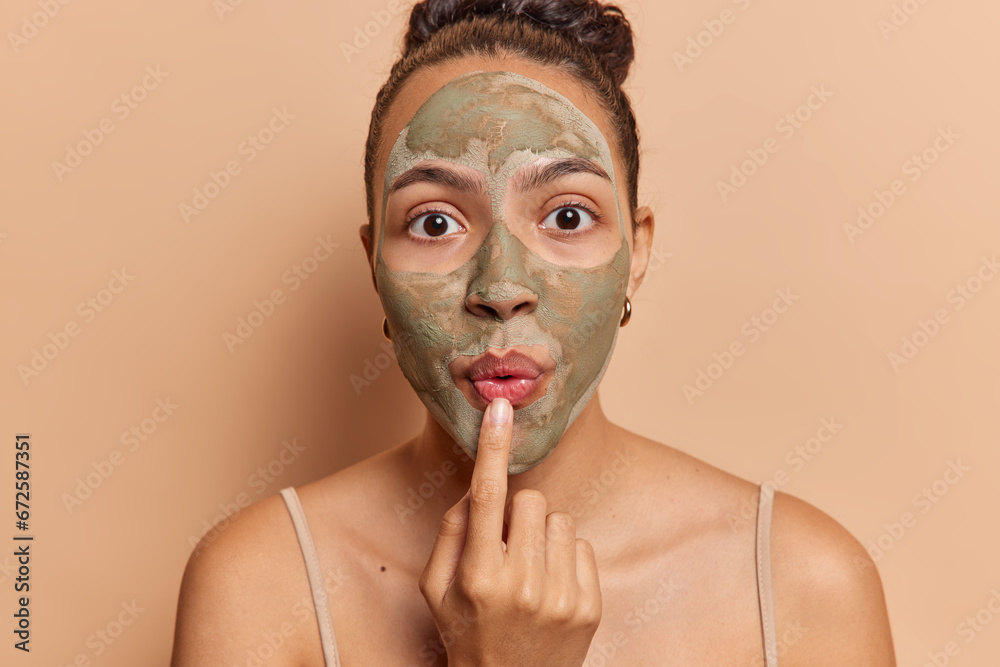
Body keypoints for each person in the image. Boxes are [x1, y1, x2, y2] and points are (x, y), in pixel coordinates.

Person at [170, 1, 897, 664]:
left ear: (636, 254)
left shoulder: (807, 585)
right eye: (434, 222)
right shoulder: (260, 584)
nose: (500, 289)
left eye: (567, 216)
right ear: (373, 264)